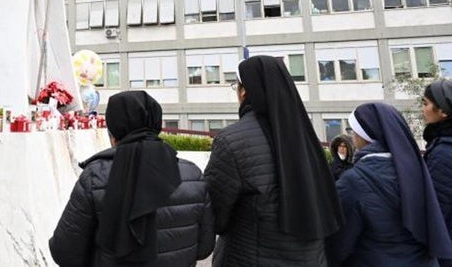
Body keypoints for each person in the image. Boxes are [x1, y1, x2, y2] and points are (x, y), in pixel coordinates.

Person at [49, 90, 215, 266]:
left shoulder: (95, 177)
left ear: (114, 133)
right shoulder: (193, 174)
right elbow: (204, 247)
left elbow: (65, 251)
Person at [204, 55, 343, 266]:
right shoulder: (306, 135)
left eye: (236, 87)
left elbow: (216, 215)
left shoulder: (231, 140)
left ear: (244, 91)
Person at [326, 102, 452, 266]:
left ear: (364, 136)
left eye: (353, 132)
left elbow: (337, 245)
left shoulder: (353, 181)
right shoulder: (418, 170)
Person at [422, 81, 452, 267]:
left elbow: (436, 211)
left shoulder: (444, 153)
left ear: (443, 111)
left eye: (425, 103)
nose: (422, 109)